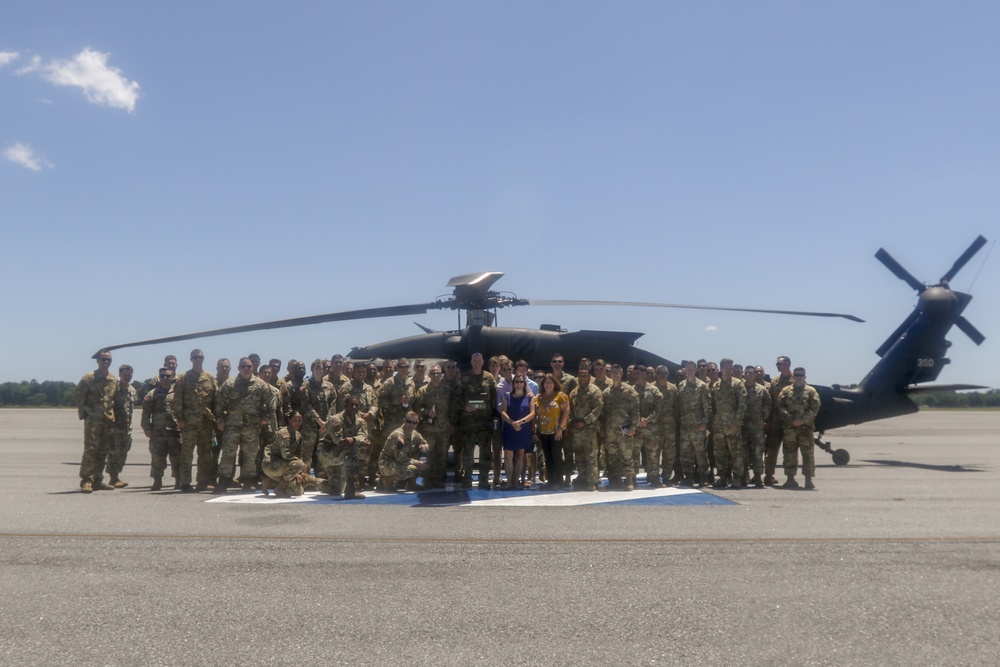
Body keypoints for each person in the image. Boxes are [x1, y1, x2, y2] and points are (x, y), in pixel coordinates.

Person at [214, 357, 275, 493]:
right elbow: (219, 402)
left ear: (252, 368)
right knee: (228, 454)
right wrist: (219, 420)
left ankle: (249, 481)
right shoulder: (229, 384)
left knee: (250, 455)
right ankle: (223, 481)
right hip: (232, 426)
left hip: (251, 427)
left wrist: (265, 418)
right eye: (243, 366)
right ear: (238, 368)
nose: (246, 369)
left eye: (248, 366)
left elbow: (271, 401)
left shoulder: (260, 384)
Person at [169, 349, 219, 492]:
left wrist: (216, 418)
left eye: (200, 357)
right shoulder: (184, 377)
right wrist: (179, 418)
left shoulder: (210, 378)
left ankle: (202, 481)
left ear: (203, 359)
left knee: (205, 454)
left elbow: (216, 400)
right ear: (191, 359)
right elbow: (177, 399)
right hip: (189, 423)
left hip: (205, 423)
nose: (198, 359)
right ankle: (185, 482)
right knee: (187, 454)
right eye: (195, 357)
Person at [75, 349, 119, 493]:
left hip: (107, 421)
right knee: (91, 450)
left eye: (108, 360)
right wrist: (85, 415)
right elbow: (79, 396)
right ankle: (86, 480)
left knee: (103, 451)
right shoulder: (89, 378)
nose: (106, 362)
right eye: (103, 359)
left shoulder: (113, 379)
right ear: (98, 361)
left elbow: (114, 400)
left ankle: (98, 480)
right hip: (93, 420)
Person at [458, 352, 497, 489]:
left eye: (479, 360)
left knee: (486, 452)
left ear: (482, 361)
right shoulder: (464, 378)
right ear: (471, 361)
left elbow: (493, 398)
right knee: (468, 453)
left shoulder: (489, 377)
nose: (477, 363)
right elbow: (458, 398)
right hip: (469, 422)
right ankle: (467, 479)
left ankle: (483, 480)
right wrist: (465, 407)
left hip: (485, 422)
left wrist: (494, 417)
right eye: (474, 360)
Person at [317, 396, 368, 500]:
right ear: (345, 406)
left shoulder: (360, 421)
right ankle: (351, 489)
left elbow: (364, 437)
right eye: (351, 405)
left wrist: (353, 440)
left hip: (341, 453)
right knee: (352, 451)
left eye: (356, 405)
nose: (354, 407)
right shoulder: (336, 420)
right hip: (328, 452)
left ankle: (314, 481)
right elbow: (339, 441)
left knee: (336, 490)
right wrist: (357, 441)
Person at [778, 367, 821, 489]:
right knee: (789, 454)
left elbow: (814, 408)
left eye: (801, 375)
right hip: (789, 428)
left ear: (805, 377)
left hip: (805, 429)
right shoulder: (785, 391)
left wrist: (802, 420)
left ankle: (808, 479)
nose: (798, 377)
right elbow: (781, 407)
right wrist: (791, 420)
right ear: (793, 376)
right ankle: (790, 479)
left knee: (808, 454)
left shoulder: (811, 391)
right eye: (796, 375)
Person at [412, 364, 452, 488]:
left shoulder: (447, 390)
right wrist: (427, 411)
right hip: (428, 430)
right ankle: (427, 479)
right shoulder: (423, 391)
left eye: (438, 374)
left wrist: (452, 422)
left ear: (441, 375)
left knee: (441, 455)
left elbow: (452, 408)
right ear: (429, 375)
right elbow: (416, 408)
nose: (436, 376)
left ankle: (438, 479)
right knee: (427, 455)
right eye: (433, 374)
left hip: (443, 428)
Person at [142, 367, 181, 491]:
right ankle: (157, 481)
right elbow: (146, 414)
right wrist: (146, 428)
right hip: (158, 433)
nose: (165, 378)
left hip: (175, 432)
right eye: (162, 376)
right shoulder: (152, 394)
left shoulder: (178, 393)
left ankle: (178, 481)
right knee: (157, 459)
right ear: (159, 377)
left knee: (177, 458)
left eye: (167, 376)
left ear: (172, 377)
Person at [600, 365, 639, 490]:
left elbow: (635, 411)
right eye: (613, 373)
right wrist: (602, 428)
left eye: (618, 372)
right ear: (610, 374)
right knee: (612, 456)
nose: (615, 375)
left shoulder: (630, 391)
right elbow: (603, 412)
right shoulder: (606, 392)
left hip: (625, 429)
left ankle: (629, 480)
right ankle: (615, 480)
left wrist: (633, 427)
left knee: (627, 455)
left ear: (622, 374)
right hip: (610, 429)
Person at [711, 358, 747, 489]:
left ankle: (737, 477)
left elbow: (742, 405)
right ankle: (723, 477)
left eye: (730, 367)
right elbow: (713, 406)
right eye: (726, 367)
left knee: (735, 453)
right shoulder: (716, 386)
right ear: (720, 369)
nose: (728, 370)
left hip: (732, 426)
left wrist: (736, 422)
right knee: (720, 453)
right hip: (719, 426)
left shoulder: (737, 384)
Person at [261, 411, 315, 498]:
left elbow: (299, 455)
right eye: (295, 420)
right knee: (299, 464)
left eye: (299, 421)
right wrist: (299, 466)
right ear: (289, 420)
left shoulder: (298, 436)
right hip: (272, 464)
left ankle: (269, 481)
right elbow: (286, 455)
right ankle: (279, 488)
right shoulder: (284, 433)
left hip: (285, 466)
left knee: (298, 491)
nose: (297, 423)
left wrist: (298, 473)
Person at [568, 364, 603, 491]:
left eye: (585, 375)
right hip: (576, 430)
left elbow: (597, 409)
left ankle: (592, 480)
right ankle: (582, 477)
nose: (582, 377)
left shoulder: (595, 391)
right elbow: (570, 409)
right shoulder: (574, 393)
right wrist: (572, 421)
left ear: (589, 376)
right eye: (580, 375)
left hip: (590, 429)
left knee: (591, 456)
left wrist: (586, 421)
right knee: (579, 455)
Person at [299, 358, 337, 475]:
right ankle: (305, 477)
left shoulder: (329, 386)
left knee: (322, 451)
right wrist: (319, 420)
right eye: (316, 368)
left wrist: (327, 421)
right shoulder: (306, 386)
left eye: (321, 368)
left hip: (325, 426)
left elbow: (333, 403)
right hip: (310, 425)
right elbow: (306, 405)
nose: (319, 370)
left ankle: (321, 477)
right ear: (312, 369)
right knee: (307, 453)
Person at [677, 360, 711, 487]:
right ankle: (689, 476)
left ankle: (703, 476)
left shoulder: (702, 386)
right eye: (688, 369)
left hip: (698, 425)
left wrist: (704, 423)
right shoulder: (681, 385)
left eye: (692, 369)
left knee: (701, 452)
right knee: (686, 452)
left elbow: (708, 407)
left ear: (696, 370)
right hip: (685, 425)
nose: (690, 371)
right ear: (685, 370)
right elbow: (679, 405)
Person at [499, 375, 535, 490]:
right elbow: (503, 412)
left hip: (523, 429)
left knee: (520, 455)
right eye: (517, 382)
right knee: (508, 455)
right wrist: (512, 422)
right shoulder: (507, 396)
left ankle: (516, 481)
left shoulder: (529, 398)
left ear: (524, 384)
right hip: (510, 429)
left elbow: (532, 413)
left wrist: (521, 422)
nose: (519, 384)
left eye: (521, 382)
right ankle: (509, 481)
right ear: (513, 383)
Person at [378, 410, 430, 492]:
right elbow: (400, 458)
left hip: (399, 463)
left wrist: (424, 447)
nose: (411, 425)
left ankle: (409, 484)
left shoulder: (414, 433)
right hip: (387, 463)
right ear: (404, 421)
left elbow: (424, 443)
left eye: (414, 423)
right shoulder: (398, 435)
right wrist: (417, 463)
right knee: (412, 469)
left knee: (425, 460)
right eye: (409, 422)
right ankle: (387, 479)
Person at [534, 373, 570, 490]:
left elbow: (566, 412)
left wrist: (560, 428)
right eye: (546, 382)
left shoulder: (560, 396)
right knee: (547, 457)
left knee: (556, 456)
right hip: (543, 432)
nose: (548, 385)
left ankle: (559, 481)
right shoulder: (539, 397)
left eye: (550, 382)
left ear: (554, 384)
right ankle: (550, 481)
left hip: (556, 432)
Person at [105, 363, 136, 489]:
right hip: (115, 428)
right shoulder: (114, 389)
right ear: (120, 375)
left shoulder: (132, 390)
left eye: (129, 375)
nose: (127, 377)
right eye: (125, 375)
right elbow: (107, 406)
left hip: (127, 428)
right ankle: (113, 478)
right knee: (114, 453)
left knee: (123, 453)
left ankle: (116, 476)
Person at [765, 356, 794, 485]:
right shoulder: (775, 382)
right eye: (777, 364)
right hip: (776, 420)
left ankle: (790, 477)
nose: (777, 366)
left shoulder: (796, 380)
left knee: (789, 450)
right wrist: (769, 420)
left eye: (779, 364)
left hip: (789, 421)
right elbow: (770, 402)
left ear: (787, 364)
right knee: (772, 449)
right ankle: (768, 475)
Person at [742, 365, 771, 488]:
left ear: (755, 375)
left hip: (756, 427)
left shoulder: (761, 389)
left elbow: (767, 405)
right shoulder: (739, 388)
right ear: (744, 375)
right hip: (742, 426)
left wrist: (761, 418)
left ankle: (758, 476)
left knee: (758, 453)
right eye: (747, 373)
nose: (749, 375)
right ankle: (743, 476)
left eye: (751, 373)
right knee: (743, 452)